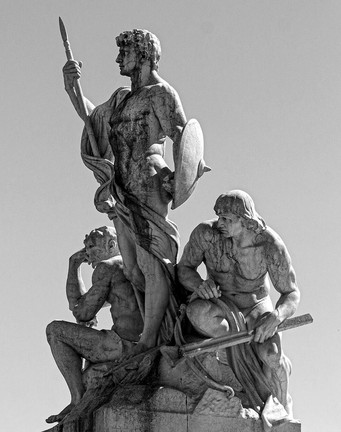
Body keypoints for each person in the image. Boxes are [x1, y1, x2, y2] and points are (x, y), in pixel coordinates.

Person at [63, 29, 189, 350]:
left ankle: (150, 338)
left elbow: (182, 137)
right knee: (132, 269)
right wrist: (71, 86)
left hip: (148, 182)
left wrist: (179, 178)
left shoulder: (160, 94)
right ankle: (158, 327)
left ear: (143, 54)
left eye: (125, 52)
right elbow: (92, 118)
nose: (119, 59)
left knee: (151, 263)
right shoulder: (121, 98)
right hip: (121, 186)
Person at [176, 190, 299, 420]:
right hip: (220, 305)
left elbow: (291, 293)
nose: (220, 223)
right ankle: (235, 369)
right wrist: (200, 285)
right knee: (196, 312)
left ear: (245, 220)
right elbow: (184, 269)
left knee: (271, 356)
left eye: (227, 219)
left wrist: (276, 317)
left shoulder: (269, 245)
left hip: (256, 308)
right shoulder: (206, 234)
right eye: (219, 217)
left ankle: (282, 404)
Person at [45, 226, 142, 425]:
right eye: (86, 248)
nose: (88, 254)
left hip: (121, 344)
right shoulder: (129, 265)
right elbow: (84, 307)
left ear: (111, 245)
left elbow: (81, 311)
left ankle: (77, 400)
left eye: (92, 247)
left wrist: (73, 265)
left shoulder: (107, 267)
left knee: (55, 331)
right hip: (138, 341)